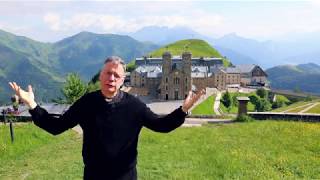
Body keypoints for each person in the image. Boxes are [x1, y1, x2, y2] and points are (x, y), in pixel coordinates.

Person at [9, 56, 205, 180]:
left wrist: (183, 110)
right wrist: (32, 105)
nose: (112, 78)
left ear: (122, 80)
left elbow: (160, 125)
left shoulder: (134, 106)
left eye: (116, 76)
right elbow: (57, 126)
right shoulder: (87, 103)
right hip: (94, 176)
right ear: (101, 76)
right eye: (108, 73)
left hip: (125, 177)